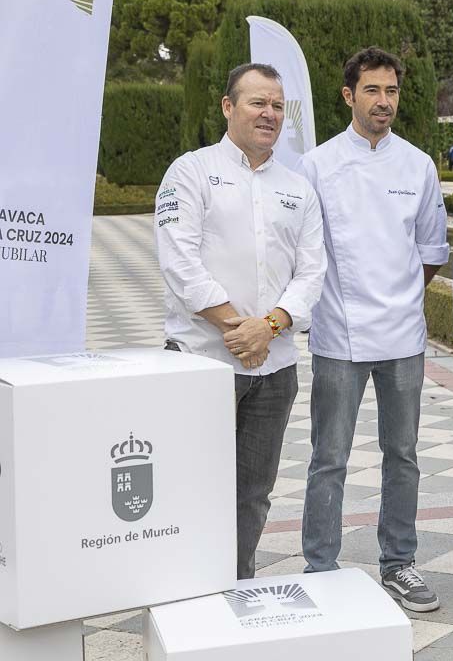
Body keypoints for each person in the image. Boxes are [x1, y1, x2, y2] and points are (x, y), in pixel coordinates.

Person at [155, 63, 326, 581]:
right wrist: (239, 328)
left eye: (277, 105)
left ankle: (235, 581)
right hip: (201, 363)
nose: (269, 113)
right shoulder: (189, 171)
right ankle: (182, 589)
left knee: (253, 493)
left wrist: (269, 327)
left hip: (274, 369)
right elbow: (179, 262)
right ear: (228, 107)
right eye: (257, 102)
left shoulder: (297, 188)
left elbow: (312, 271)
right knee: (189, 484)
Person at [299, 47, 449, 610]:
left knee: (402, 454)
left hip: (404, 338)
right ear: (348, 95)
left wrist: (403, 296)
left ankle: (399, 563)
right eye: (372, 91)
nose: (383, 101)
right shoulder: (315, 166)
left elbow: (429, 251)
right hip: (339, 335)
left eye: (391, 91)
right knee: (329, 455)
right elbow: (307, 253)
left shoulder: (418, 165)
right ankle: (320, 565)